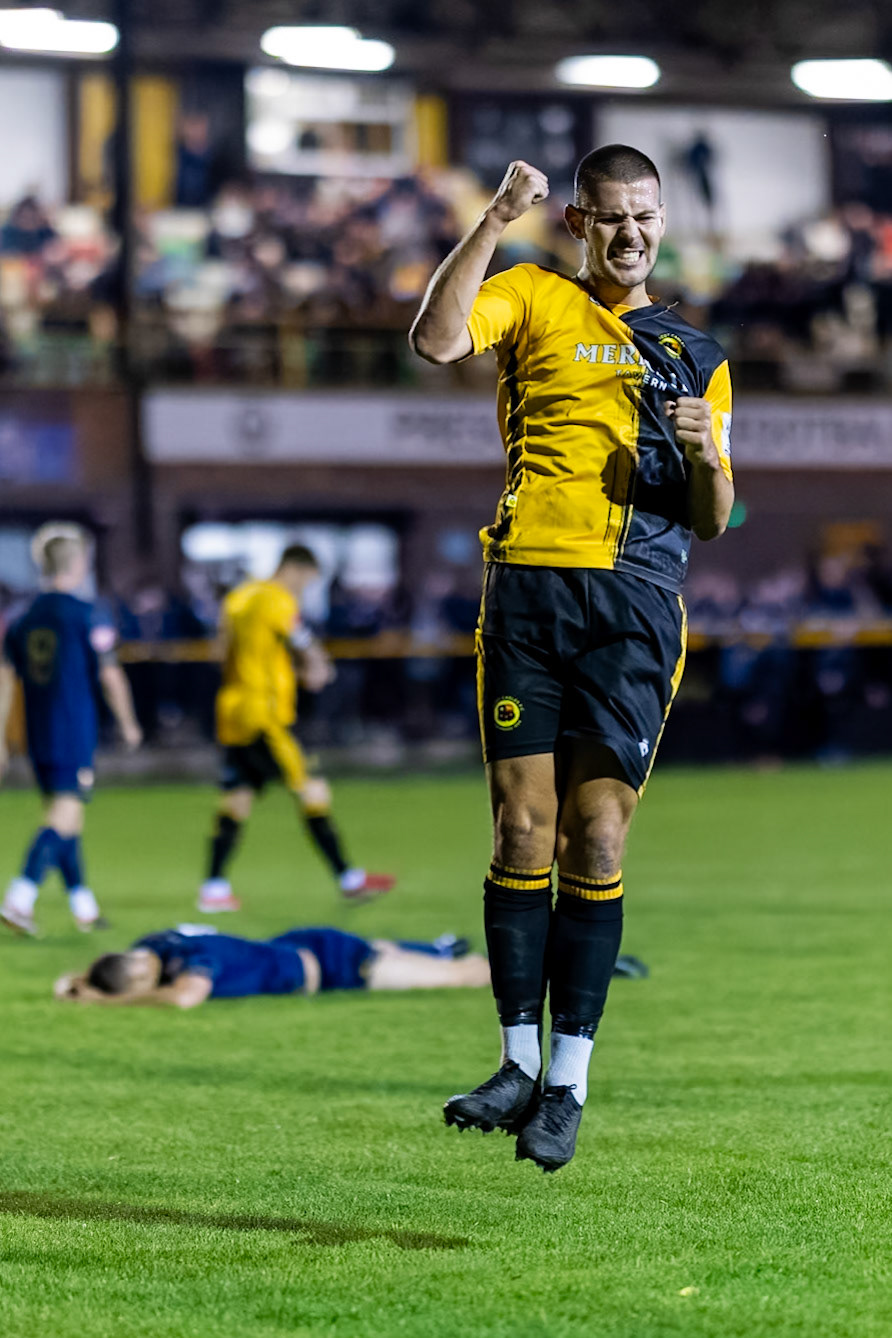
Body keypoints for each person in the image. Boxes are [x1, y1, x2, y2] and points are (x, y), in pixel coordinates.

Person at [410, 145, 734, 1171]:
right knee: (521, 827)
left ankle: (568, 1083)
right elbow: (435, 339)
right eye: (609, 217)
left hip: (635, 607)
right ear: (579, 224)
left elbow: (713, 521)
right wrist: (495, 218)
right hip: (528, 591)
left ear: (661, 223)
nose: (629, 233)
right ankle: (513, 1060)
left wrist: (706, 456)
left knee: (595, 839)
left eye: (645, 217)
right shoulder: (532, 295)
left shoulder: (695, 352)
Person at [198, 544, 395, 913]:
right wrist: (319, 668)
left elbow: (219, 653)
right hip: (265, 715)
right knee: (311, 787)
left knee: (237, 797)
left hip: (233, 711)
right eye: (305, 581)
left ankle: (213, 888)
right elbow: (302, 641)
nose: (303, 589)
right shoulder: (277, 599)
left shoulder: (238, 598)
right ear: (296, 569)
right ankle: (348, 878)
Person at [0, 524, 142, 935]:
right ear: (79, 563)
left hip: (39, 730)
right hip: (73, 728)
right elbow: (110, 675)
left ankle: (85, 908)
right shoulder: (88, 612)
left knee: (67, 820)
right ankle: (19, 898)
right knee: (63, 817)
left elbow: (6, 679)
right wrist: (129, 723)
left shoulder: (23, 618)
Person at [54, 925, 490, 1006]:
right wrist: (80, 982)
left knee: (460, 977)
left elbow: (183, 998)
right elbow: (117, 972)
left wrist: (102, 1004)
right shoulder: (152, 943)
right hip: (300, 945)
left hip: (336, 964)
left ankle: (531, 966)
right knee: (410, 956)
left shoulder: (187, 961)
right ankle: (439, 947)